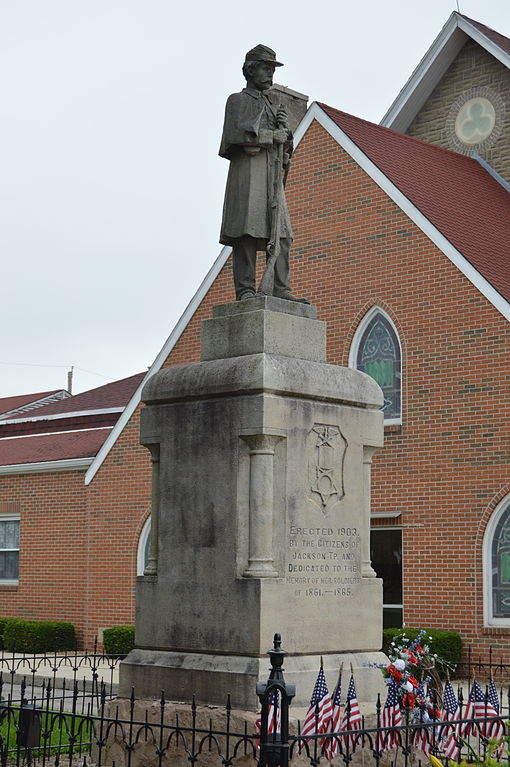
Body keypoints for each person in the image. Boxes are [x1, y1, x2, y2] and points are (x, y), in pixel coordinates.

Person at [219, 44, 309, 303]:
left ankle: (281, 287)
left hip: (270, 173)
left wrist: (285, 130)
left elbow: (285, 145)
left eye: (272, 70)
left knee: (282, 232)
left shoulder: (272, 104)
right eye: (265, 69)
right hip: (249, 173)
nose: (270, 75)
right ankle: (245, 289)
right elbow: (236, 136)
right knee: (247, 230)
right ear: (251, 70)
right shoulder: (237, 100)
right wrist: (272, 136)